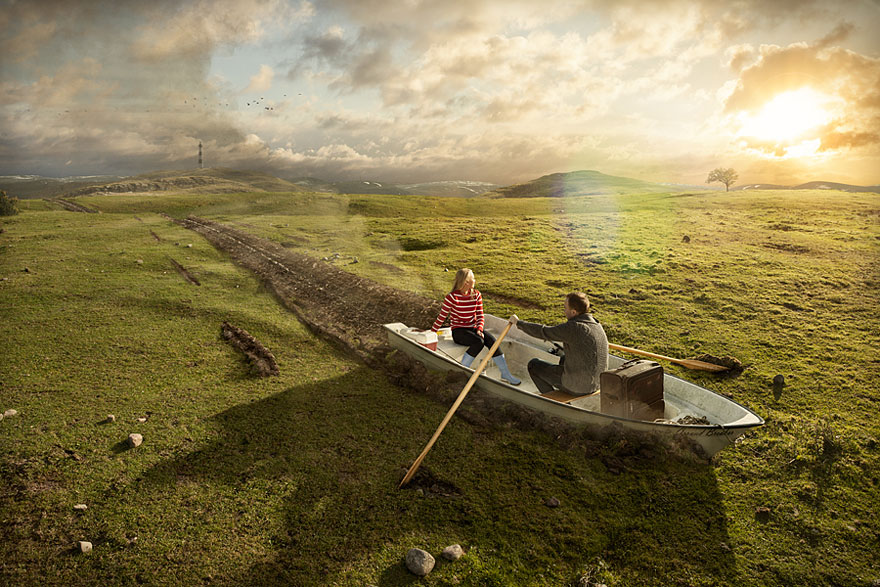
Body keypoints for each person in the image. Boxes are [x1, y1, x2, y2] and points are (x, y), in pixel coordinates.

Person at [431, 268, 520, 385]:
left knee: (493, 341)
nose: (475, 280)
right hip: (459, 331)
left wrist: (479, 328)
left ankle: (505, 374)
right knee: (478, 342)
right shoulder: (452, 297)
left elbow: (480, 315)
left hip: (473, 328)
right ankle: (463, 369)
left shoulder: (477, 295)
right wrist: (432, 332)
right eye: (473, 278)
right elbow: (442, 317)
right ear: (466, 282)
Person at [512, 292, 608, 396]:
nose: (564, 311)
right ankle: (564, 387)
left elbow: (543, 331)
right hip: (598, 383)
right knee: (563, 358)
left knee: (534, 365)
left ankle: (553, 400)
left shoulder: (574, 327)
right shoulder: (596, 324)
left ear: (573, 312)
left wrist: (518, 323)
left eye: (565, 308)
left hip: (580, 387)